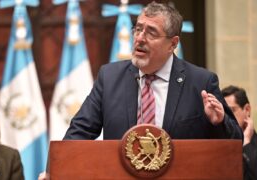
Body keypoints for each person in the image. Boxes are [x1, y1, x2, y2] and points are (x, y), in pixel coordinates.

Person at [63, 1, 242, 140]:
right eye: (138, 29)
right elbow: (79, 131)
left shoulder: (201, 82)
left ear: (173, 44)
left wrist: (219, 122)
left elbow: (235, 141)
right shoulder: (109, 78)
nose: (140, 38)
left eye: (151, 33)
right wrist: (54, 170)